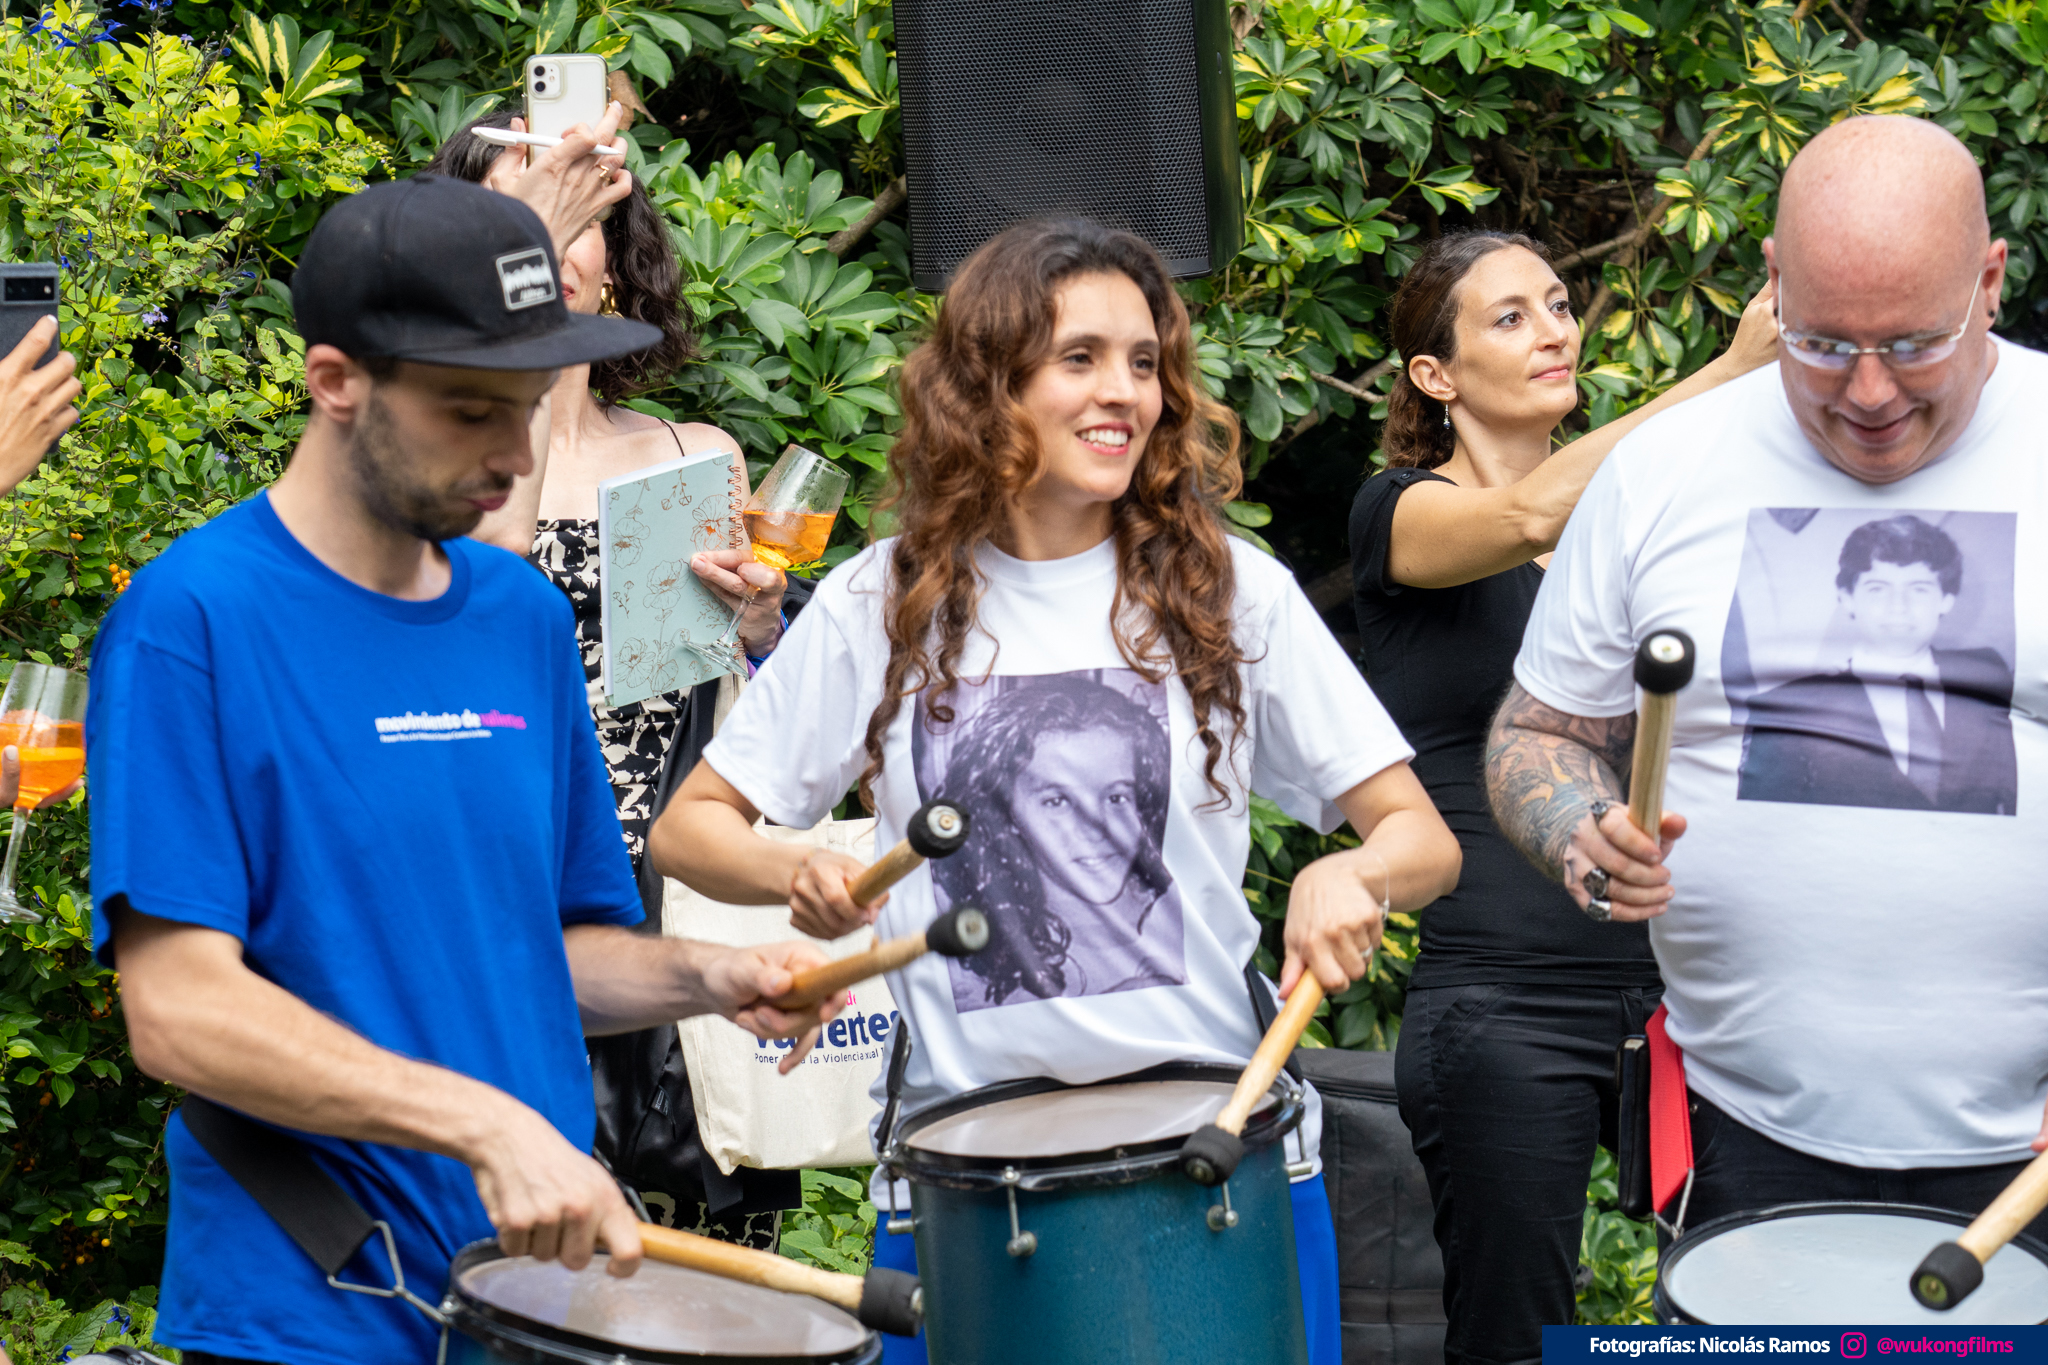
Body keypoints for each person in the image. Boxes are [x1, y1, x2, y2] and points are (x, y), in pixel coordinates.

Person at [650, 217, 1464, 1365]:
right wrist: (799, 869)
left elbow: (1421, 839)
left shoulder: (1229, 592)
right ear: (988, 384)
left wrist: (1354, 871)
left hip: (1214, 1156)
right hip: (961, 1170)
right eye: (1078, 358)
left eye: (1143, 362)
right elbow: (691, 831)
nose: (1122, 391)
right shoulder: (883, 600)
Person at [88, 174, 839, 1365]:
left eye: (529, 407)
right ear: (335, 381)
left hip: (530, 1295)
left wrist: (712, 974)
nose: (512, 452)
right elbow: (178, 1013)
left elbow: (555, 953)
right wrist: (484, 1125)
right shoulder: (193, 621)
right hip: (317, 1303)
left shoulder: (518, 614)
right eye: (470, 410)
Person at [1485, 114, 2048, 1242]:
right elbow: (1536, 734)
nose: (1870, 391)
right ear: (1774, 285)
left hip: (2028, 1160)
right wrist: (1579, 832)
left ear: (1989, 284)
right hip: (1735, 1136)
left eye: (1914, 344)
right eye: (1824, 343)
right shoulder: (1660, 469)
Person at [1347, 230, 1777, 1359]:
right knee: (1516, 1341)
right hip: (1504, 1006)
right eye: (1509, 317)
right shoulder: (1398, 513)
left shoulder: (1634, 522)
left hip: (1680, 993)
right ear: (1434, 375)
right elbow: (1526, 517)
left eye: (1555, 304)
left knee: (1747, 1314)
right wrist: (1730, 371)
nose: (1552, 331)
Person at [427, 111, 798, 1246]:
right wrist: (521, 366)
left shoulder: (691, 455)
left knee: (695, 1268)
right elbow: (475, 617)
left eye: (578, 214)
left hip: (666, 885)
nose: (550, 240)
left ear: (615, 252)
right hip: (501, 879)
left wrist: (759, 624)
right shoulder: (435, 474)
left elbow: (729, 706)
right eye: (518, 213)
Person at [1736, 512, 2016, 812]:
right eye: (1877, 589)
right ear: (1847, 598)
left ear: (1946, 599)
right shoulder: (1785, 709)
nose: (1898, 607)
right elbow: (1764, 823)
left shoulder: (1988, 674)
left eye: (1919, 589)